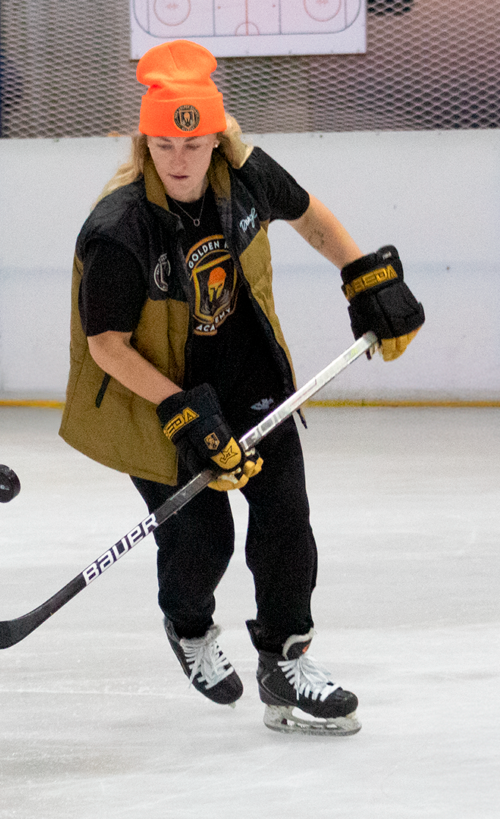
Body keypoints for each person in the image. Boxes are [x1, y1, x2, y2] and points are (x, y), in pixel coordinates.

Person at [58, 40, 423, 735]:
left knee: (285, 517)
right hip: (160, 396)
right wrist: (180, 408)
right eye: (164, 145)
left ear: (218, 137)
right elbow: (106, 345)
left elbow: (312, 216)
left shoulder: (248, 176)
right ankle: (189, 624)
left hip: (251, 379)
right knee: (203, 540)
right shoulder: (120, 226)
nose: (180, 160)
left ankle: (285, 662)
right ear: (146, 143)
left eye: (193, 143)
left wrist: (363, 275)